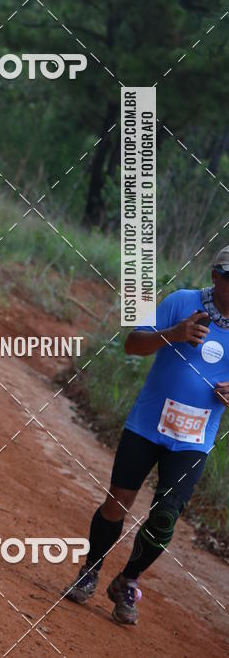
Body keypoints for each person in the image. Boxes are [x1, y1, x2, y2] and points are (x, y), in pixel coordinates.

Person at [64, 248, 229, 625]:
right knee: (117, 502)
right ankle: (90, 570)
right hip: (147, 424)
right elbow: (133, 344)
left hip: (194, 439)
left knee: (165, 518)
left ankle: (127, 581)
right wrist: (174, 333)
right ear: (216, 277)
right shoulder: (181, 302)